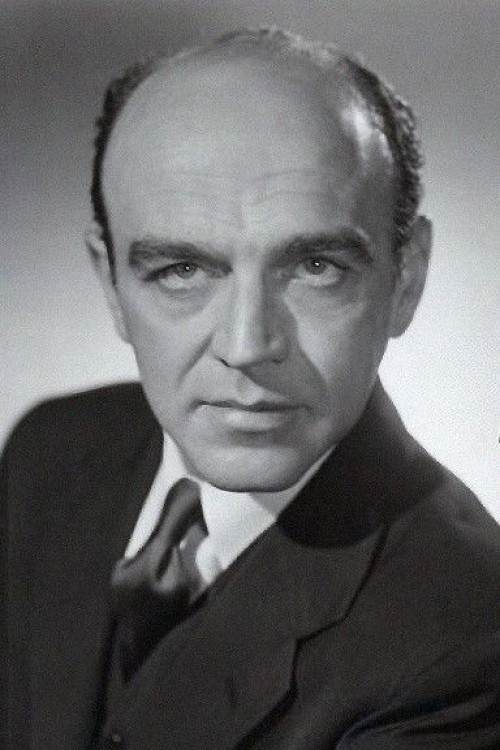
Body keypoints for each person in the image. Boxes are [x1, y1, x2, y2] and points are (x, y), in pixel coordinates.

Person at [2, 27, 500, 750]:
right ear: (110, 284)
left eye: (317, 267)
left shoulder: (467, 635)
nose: (246, 346)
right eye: (181, 271)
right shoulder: (49, 452)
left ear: (407, 279)